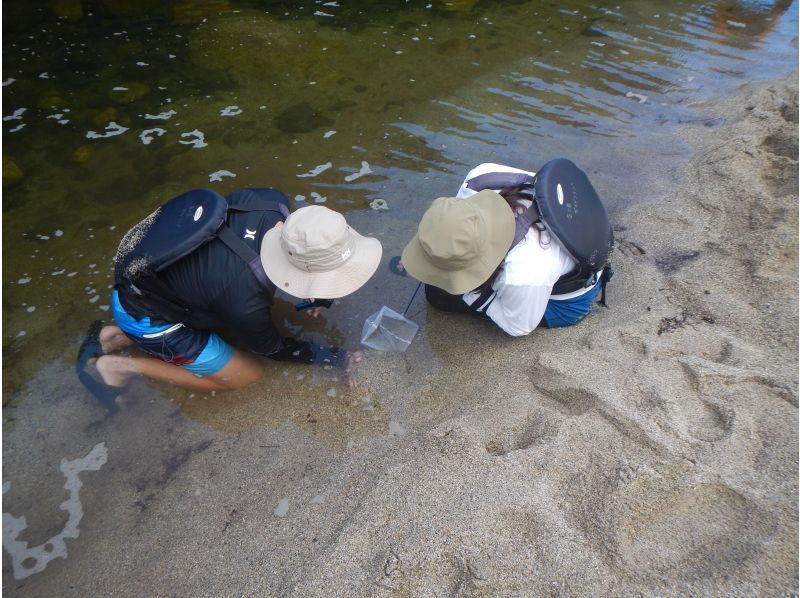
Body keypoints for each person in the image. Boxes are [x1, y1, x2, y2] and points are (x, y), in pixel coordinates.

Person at [76, 187, 382, 409]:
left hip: (146, 283)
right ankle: (121, 365)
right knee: (246, 375)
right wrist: (335, 357)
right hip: (150, 318)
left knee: (222, 307)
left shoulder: (270, 201)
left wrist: (321, 296)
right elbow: (273, 349)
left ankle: (114, 334)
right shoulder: (244, 301)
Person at [400, 162, 611, 336]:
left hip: (569, 299)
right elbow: (451, 224)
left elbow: (519, 326)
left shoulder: (521, 273)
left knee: (439, 295)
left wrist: (469, 294)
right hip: (582, 222)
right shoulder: (479, 178)